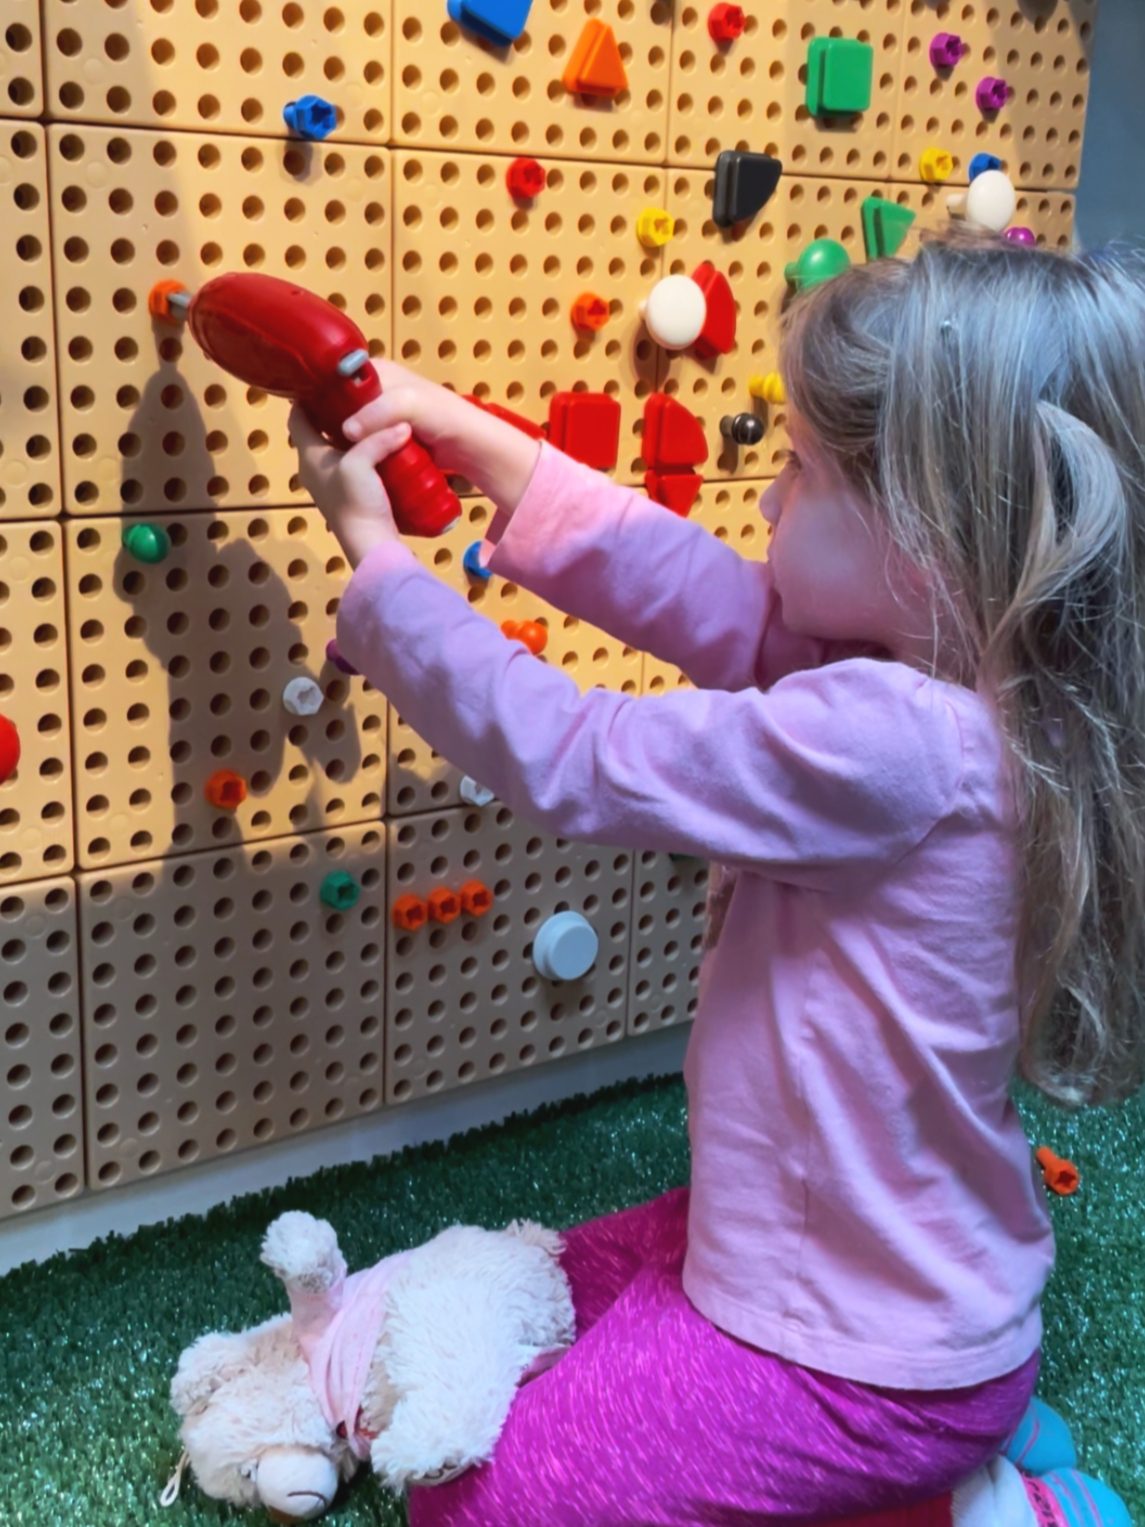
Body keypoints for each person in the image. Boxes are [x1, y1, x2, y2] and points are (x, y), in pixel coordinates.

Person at [289, 229, 1142, 1527]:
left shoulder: (896, 742)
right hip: (868, 1281)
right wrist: (486, 446)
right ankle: (956, 1451)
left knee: (476, 1504)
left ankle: (974, 1503)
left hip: (858, 1363)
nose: (762, 501)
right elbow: (733, 612)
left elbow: (579, 755)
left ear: (933, 529)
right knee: (528, 1290)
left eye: (796, 472)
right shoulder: (973, 684)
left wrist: (384, 580)